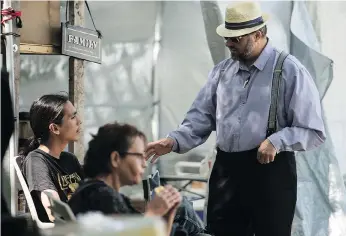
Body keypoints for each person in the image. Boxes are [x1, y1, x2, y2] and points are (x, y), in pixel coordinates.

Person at [144, 2, 326, 236]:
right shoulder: (221, 72)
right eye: (227, 38)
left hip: (270, 175)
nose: (228, 44)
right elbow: (201, 117)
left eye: (235, 39)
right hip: (226, 172)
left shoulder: (290, 71)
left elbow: (313, 131)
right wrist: (173, 141)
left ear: (258, 34)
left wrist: (277, 141)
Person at [68, 122, 206, 236]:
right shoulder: (102, 198)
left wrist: (167, 214)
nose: (144, 163)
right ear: (116, 158)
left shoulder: (90, 192)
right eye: (139, 156)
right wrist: (153, 212)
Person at [20, 94, 83, 223]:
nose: (79, 121)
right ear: (55, 128)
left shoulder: (70, 159)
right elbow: (54, 210)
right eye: (72, 117)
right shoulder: (36, 160)